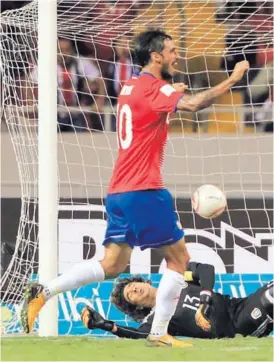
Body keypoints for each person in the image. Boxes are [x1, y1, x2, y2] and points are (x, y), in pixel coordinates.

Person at [20, 29, 249, 347]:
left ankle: (44, 292)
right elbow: (195, 104)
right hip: (145, 190)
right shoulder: (155, 89)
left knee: (112, 265)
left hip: (118, 191)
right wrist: (234, 79)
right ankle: (159, 334)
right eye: (171, 50)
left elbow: (151, 104)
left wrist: (172, 90)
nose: (176, 55)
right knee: (179, 260)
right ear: (155, 56)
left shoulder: (130, 87)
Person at [81, 262, 274, 339]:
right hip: (236, 328)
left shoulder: (178, 278)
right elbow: (138, 335)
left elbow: (206, 270)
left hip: (241, 305)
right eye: (131, 295)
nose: (135, 289)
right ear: (137, 305)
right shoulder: (158, 319)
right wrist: (106, 325)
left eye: (133, 286)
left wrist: (205, 300)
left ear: (144, 282)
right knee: (270, 298)